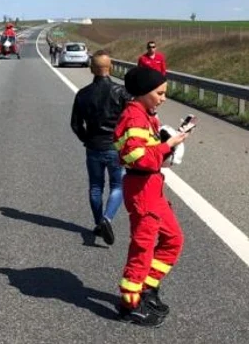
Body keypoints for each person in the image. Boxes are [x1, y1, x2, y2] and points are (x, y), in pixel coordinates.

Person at [113, 66, 189, 327]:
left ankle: (147, 287)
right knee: (142, 247)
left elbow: (149, 154)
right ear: (144, 92)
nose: (164, 98)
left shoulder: (147, 115)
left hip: (152, 186)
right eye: (160, 93)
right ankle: (130, 303)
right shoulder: (133, 118)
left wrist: (170, 144)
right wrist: (168, 145)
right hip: (142, 189)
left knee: (173, 239)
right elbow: (136, 157)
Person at [70, 50, 132, 245]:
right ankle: (107, 218)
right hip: (115, 147)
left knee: (96, 187)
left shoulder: (83, 94)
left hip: (93, 146)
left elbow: (76, 124)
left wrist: (86, 139)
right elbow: (131, 121)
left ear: (91, 69)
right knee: (118, 185)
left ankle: (98, 222)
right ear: (110, 67)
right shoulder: (122, 92)